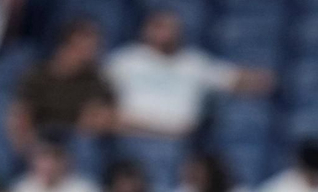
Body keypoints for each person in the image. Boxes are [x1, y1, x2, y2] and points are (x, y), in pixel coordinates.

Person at [104, 9, 271, 139]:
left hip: (181, 142)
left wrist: (270, 78)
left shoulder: (194, 63)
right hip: (133, 138)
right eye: (160, 26)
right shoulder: (124, 61)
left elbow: (234, 79)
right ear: (146, 29)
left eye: (172, 27)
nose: (167, 33)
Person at [8, 18, 114, 153]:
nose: (95, 50)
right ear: (68, 46)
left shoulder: (95, 79)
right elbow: (20, 115)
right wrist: (31, 147)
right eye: (88, 45)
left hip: (75, 141)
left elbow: (101, 117)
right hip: (40, 141)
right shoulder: (37, 76)